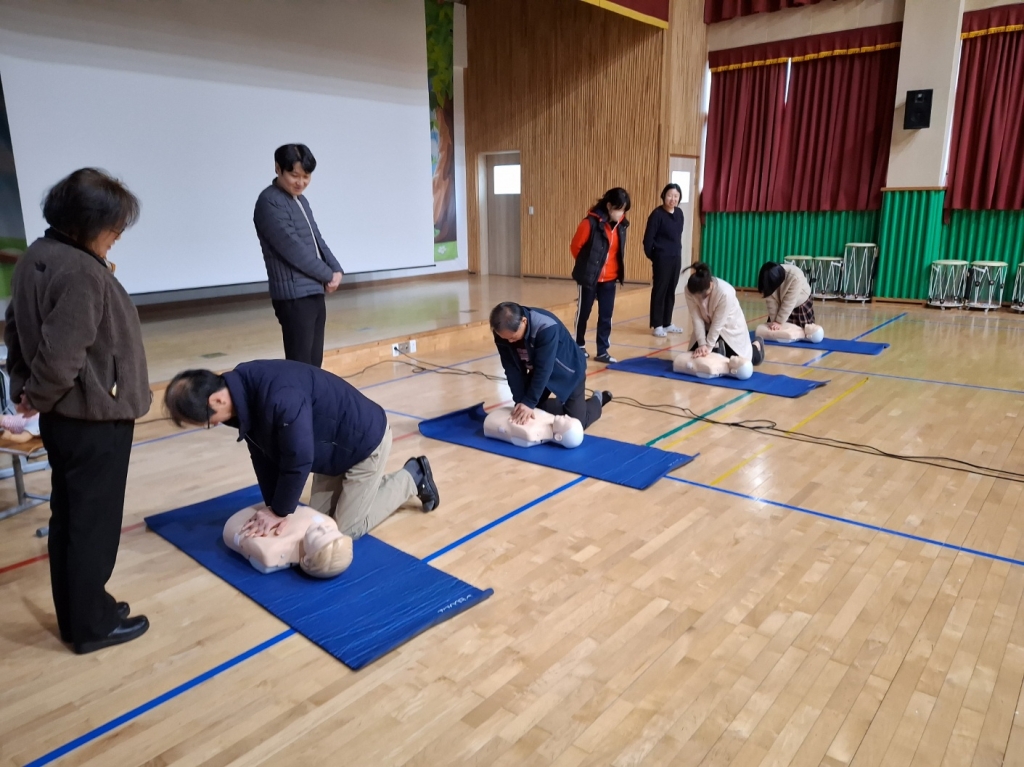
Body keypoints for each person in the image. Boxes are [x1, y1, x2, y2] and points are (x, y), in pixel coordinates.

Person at [4, 168, 151, 653]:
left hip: (66, 420)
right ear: (87, 223)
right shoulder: (82, 272)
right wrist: (38, 394)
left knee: (70, 520)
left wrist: (27, 391)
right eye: (114, 228)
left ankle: (83, 612)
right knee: (93, 526)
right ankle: (91, 626)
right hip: (94, 420)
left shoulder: (37, 257)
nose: (117, 237)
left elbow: (16, 329)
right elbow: (63, 351)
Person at [163, 360, 439, 540]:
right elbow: (262, 454)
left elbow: (298, 458)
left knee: (343, 531)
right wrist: (274, 507)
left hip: (364, 443)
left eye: (206, 422)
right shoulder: (241, 395)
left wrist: (279, 512)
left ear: (217, 399)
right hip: (330, 448)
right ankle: (366, 491)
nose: (210, 425)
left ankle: (411, 477)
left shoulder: (278, 396)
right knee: (314, 527)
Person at [254, 144, 344, 368]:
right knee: (300, 365)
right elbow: (293, 249)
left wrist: (337, 270)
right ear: (278, 169)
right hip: (293, 297)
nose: (301, 182)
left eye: (306, 176)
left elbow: (317, 239)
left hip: (313, 291)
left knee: (315, 364)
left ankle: (313, 403)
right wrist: (327, 275)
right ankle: (299, 403)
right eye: (295, 175)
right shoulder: (269, 202)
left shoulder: (301, 201)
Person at [490, 302, 611, 430]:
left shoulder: (545, 326)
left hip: (569, 371)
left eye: (513, 338)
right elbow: (511, 368)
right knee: (530, 409)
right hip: (537, 370)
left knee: (576, 425)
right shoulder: (502, 333)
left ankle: (597, 400)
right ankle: (562, 404)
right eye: (506, 338)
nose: (510, 342)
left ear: (524, 321)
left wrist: (529, 402)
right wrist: (520, 401)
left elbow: (544, 369)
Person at [570, 187, 631, 364]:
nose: (621, 214)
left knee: (606, 315)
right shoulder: (589, 223)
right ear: (609, 206)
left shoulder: (621, 226)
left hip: (610, 278)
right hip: (589, 277)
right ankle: (579, 344)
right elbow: (575, 248)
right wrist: (589, 266)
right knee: (584, 311)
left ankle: (602, 350)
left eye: (624, 210)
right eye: (619, 209)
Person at [223, 505, 353, 578]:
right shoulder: (328, 522)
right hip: (275, 505)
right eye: (331, 531)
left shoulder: (270, 550)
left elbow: (235, 534)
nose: (322, 527)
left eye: (320, 535)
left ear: (307, 560)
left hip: (240, 522)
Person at [683, 263, 765, 366]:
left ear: (711, 285)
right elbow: (697, 319)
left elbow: (718, 324)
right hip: (707, 326)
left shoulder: (725, 293)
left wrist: (708, 348)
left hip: (728, 327)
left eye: (705, 296)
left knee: (740, 362)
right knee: (695, 355)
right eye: (697, 297)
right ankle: (717, 347)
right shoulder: (689, 289)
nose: (701, 302)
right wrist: (702, 344)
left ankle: (756, 345)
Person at [643, 183, 686, 337]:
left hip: (676, 257)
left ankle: (667, 323)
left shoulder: (679, 213)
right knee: (660, 290)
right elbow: (648, 241)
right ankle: (657, 324)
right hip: (662, 258)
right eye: (670, 195)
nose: (672, 199)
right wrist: (656, 256)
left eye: (676, 196)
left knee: (671, 290)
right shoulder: (657, 214)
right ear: (663, 196)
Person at [483, 407, 584, 449]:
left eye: (567, 421)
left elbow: (511, 428)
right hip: (504, 411)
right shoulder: (552, 419)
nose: (566, 416)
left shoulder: (531, 434)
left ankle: (597, 401)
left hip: (492, 420)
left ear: (558, 437)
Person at [757, 261, 815, 330]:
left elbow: (789, 302)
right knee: (774, 328)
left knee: (803, 331)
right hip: (781, 300)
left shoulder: (795, 276)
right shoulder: (768, 279)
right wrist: (774, 322)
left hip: (800, 301)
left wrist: (779, 322)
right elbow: (771, 302)